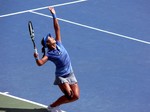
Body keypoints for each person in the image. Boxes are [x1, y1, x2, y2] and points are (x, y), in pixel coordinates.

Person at [33, 7, 80, 112]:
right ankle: (52, 107)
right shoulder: (49, 54)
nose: (52, 37)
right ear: (48, 44)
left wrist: (54, 14)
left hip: (70, 73)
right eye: (50, 38)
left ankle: (56, 106)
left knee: (75, 96)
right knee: (69, 95)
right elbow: (40, 63)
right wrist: (36, 57)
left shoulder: (58, 42)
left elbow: (57, 28)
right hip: (61, 77)